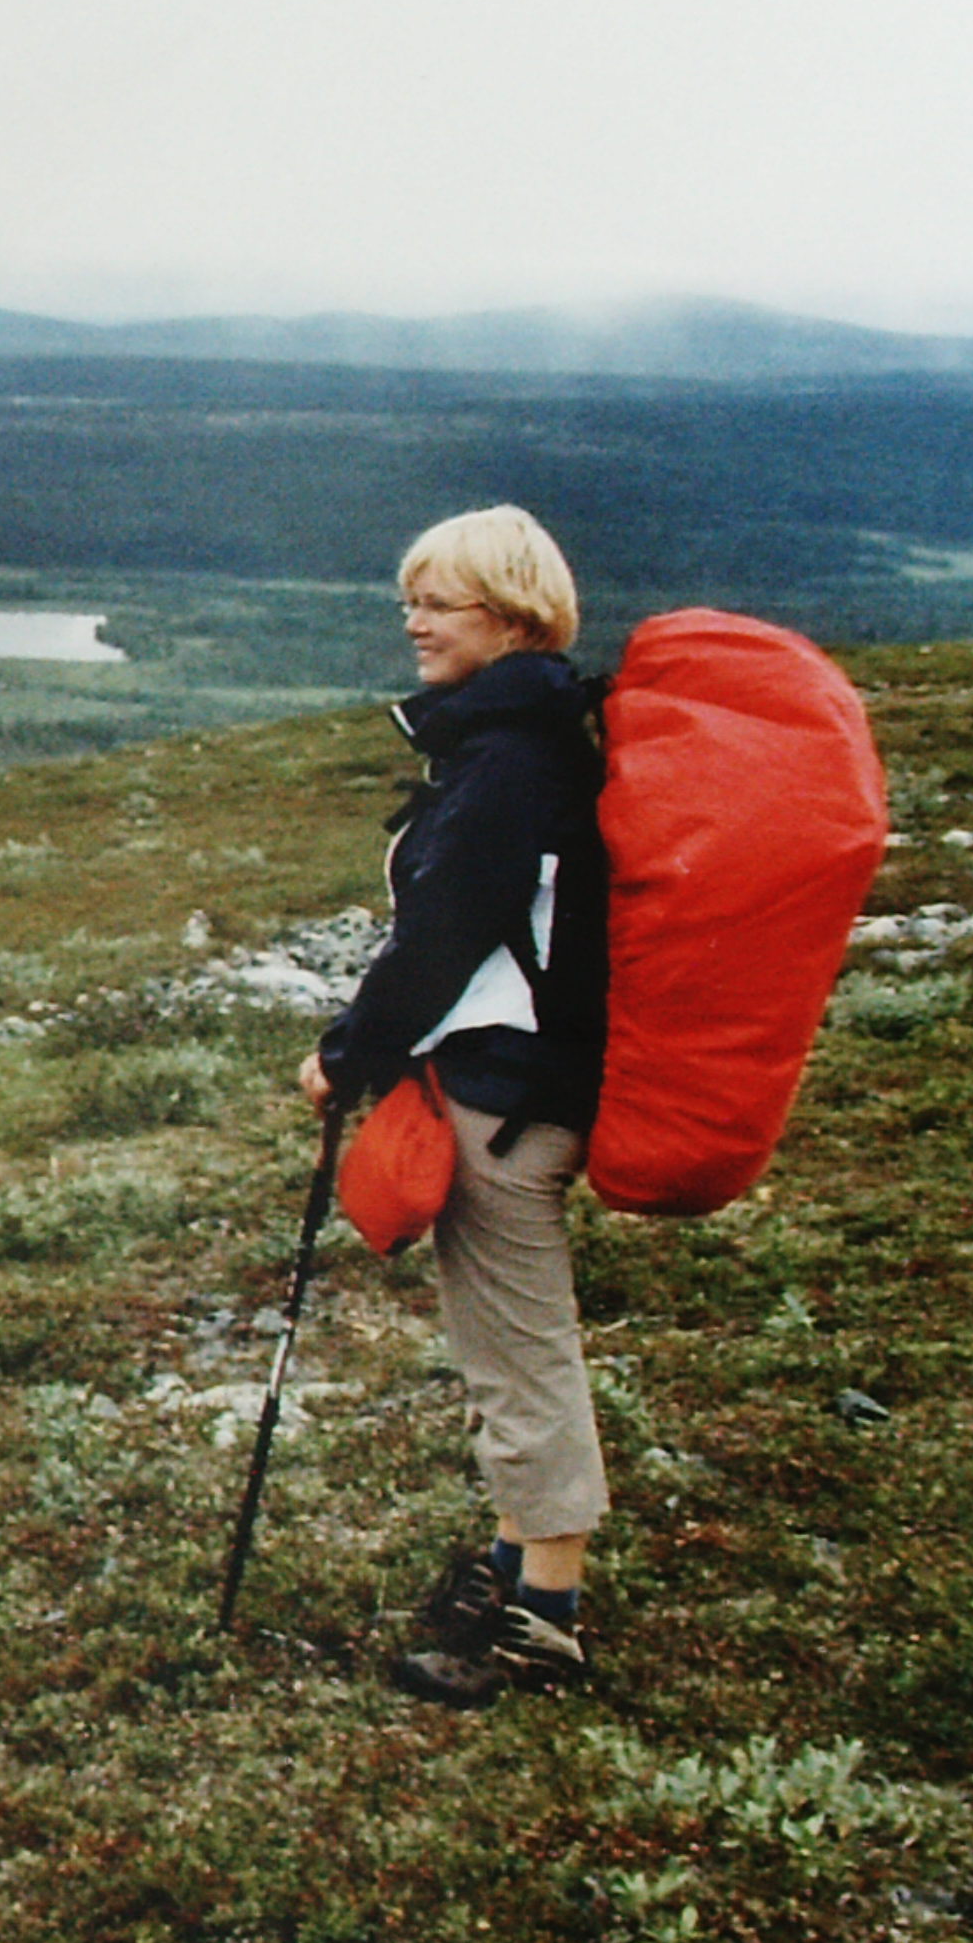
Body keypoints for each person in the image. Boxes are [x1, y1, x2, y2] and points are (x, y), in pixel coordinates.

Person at [297, 505, 609, 1708]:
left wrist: (346, 1055)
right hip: (511, 1083)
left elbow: (439, 939)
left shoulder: (507, 761)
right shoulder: (521, 739)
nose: (415, 624)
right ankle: (514, 1562)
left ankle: (543, 1619)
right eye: (411, 602)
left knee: (519, 1354)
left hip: (505, 1098)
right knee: (506, 1341)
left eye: (440, 604)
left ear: (515, 617)